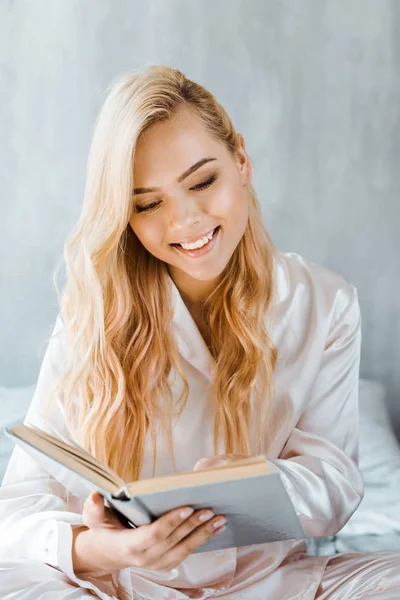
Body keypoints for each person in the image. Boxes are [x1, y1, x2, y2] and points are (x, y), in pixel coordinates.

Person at [0, 64, 399, 600]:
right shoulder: (93, 311)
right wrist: (103, 550)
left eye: (203, 181)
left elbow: (335, 488)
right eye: (147, 204)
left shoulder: (324, 302)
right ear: (125, 216)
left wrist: (257, 482)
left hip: (271, 585)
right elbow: (17, 511)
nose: (185, 221)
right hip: (121, 587)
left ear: (240, 159)